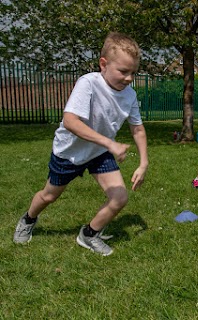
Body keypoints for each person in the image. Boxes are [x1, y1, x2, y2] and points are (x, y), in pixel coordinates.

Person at [13, 32, 148, 256]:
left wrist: (143, 163)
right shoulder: (89, 83)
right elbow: (70, 121)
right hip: (69, 154)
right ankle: (28, 219)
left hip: (99, 153)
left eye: (133, 72)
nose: (129, 78)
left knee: (120, 198)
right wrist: (110, 143)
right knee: (49, 196)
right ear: (103, 64)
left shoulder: (130, 95)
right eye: (123, 71)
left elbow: (138, 128)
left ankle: (89, 234)